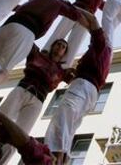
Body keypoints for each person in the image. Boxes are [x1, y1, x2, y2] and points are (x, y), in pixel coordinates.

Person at [0, 39, 73, 164]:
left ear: (64, 53)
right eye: (58, 44)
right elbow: (29, 40)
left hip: (37, 101)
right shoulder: (37, 55)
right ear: (52, 46)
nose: (60, 47)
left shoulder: (62, 72)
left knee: (20, 136)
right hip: (22, 89)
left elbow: (76, 77)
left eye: (63, 47)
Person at [45, 10, 113, 165]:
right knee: (70, 127)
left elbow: (93, 21)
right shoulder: (103, 55)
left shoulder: (101, 44)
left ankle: (54, 158)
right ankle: (62, 159)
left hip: (83, 86)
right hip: (91, 92)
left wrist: (73, 7)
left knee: (62, 117)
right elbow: (90, 26)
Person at [44, 0, 104, 68]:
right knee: (59, 32)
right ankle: (46, 52)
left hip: (87, 18)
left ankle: (65, 65)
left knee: (76, 41)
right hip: (73, 10)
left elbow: (107, 7)